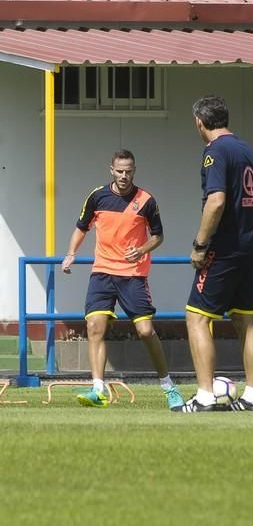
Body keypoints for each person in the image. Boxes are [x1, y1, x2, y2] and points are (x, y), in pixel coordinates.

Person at [61, 149, 184, 410]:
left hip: (133, 276)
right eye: (120, 171)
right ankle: (98, 389)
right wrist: (71, 254)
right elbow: (81, 227)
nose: (124, 176)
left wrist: (142, 250)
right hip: (103, 272)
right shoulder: (97, 196)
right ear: (111, 170)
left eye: (129, 171)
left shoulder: (147, 200)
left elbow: (158, 236)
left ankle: (168, 386)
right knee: (95, 326)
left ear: (134, 171)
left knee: (145, 331)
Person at [182, 95, 253, 413]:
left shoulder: (215, 151)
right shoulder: (246, 149)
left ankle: (205, 396)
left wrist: (200, 245)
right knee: (247, 320)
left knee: (197, 317)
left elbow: (216, 201)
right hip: (249, 243)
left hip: (226, 247)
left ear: (199, 122)